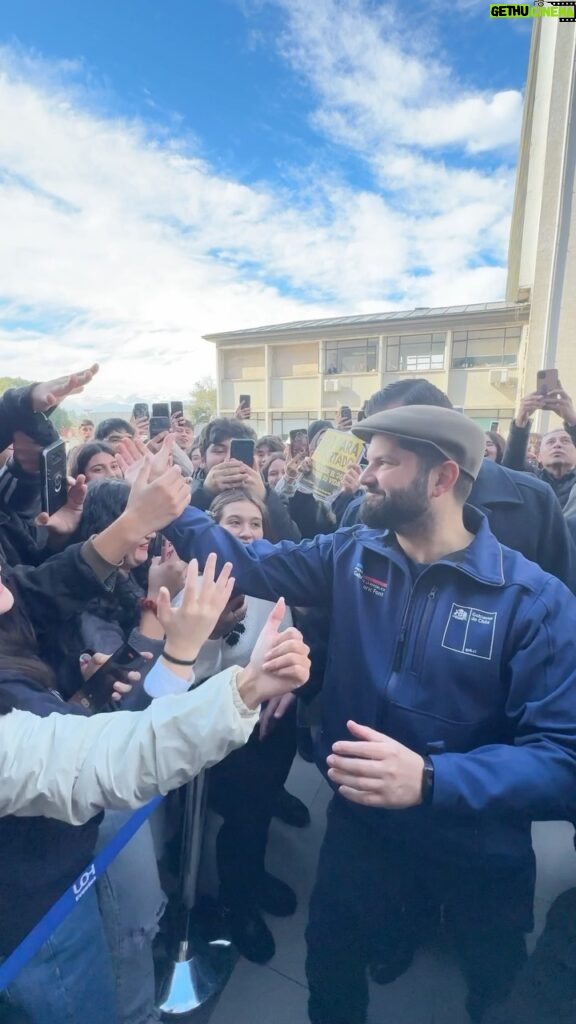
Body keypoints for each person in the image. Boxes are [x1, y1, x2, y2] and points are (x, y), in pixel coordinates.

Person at [163, 404, 576, 1023]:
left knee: (495, 979)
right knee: (331, 960)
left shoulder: (531, 601)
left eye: (385, 462)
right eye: (366, 459)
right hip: (360, 827)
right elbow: (252, 564)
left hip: (478, 841)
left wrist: (434, 781)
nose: (364, 475)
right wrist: (176, 507)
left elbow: (561, 758)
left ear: (441, 479)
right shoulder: (352, 552)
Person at [0, 556, 311, 1024]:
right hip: (37, 907)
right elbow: (103, 755)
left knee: (130, 943)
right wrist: (202, 662)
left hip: (66, 858)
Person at [338, 378, 576, 592]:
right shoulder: (364, 513)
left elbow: (564, 604)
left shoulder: (532, 503)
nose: (367, 478)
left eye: (397, 437)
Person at [192, 418, 300, 543]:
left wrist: (265, 496)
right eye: (219, 451)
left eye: (237, 451)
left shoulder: (271, 496)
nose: (229, 459)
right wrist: (204, 493)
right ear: (203, 458)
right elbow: (180, 536)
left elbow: (291, 543)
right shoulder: (187, 494)